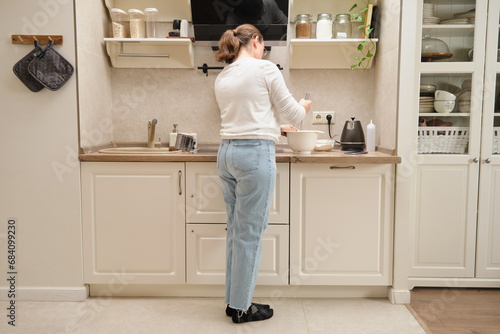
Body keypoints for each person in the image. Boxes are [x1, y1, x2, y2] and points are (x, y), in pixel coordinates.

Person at [214, 24, 311, 324]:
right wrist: (304, 106)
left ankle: (234, 302)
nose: (263, 51)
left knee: (236, 232)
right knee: (249, 235)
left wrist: (274, 127)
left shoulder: (223, 76)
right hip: (255, 155)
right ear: (255, 41)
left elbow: (246, 115)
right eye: (263, 45)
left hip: (227, 154)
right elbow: (294, 114)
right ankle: (242, 309)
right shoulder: (264, 69)